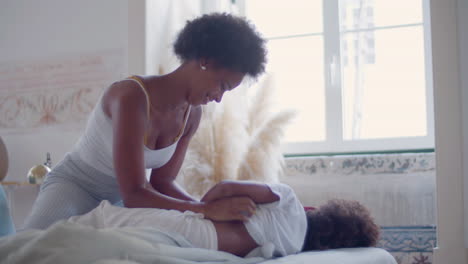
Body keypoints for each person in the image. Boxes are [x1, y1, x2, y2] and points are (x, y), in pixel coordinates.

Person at [24, 13, 267, 230]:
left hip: (121, 200)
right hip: (75, 187)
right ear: (205, 61)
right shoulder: (130, 96)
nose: (218, 99)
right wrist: (205, 211)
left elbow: (162, 182)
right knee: (27, 249)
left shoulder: (192, 115)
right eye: (222, 86)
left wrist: (204, 208)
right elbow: (135, 192)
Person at [67, 180, 380, 258]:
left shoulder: (287, 199)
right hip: (204, 248)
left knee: (102, 220)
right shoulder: (294, 250)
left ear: (318, 211)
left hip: (193, 228)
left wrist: (208, 205)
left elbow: (225, 188)